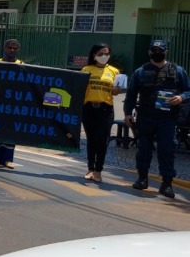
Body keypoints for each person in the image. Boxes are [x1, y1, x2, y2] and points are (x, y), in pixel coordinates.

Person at [123, 39, 190, 198]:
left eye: (160, 50)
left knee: (167, 150)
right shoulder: (140, 72)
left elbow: (188, 91)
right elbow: (131, 94)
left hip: (167, 118)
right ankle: (142, 179)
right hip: (145, 116)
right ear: (149, 52)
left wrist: (181, 97)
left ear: (166, 51)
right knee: (144, 150)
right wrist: (127, 112)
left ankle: (166, 184)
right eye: (153, 50)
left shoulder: (178, 71)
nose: (157, 52)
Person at [81, 43, 122, 183]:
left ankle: (98, 171)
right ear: (94, 55)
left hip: (106, 110)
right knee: (91, 140)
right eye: (100, 54)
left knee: (102, 141)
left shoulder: (114, 71)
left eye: (106, 54)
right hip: (89, 109)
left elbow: (117, 91)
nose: (104, 56)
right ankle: (90, 169)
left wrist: (117, 91)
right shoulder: (86, 69)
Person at [0, 39, 21, 169]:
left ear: (18, 51)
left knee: (10, 130)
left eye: (14, 48)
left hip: (13, 104)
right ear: (4, 48)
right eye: (9, 47)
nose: (12, 50)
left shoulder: (22, 65)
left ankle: (8, 159)